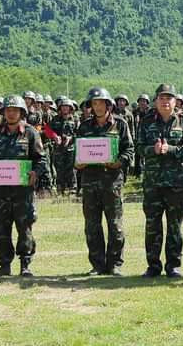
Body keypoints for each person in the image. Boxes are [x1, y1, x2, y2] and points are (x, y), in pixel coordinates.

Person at [0, 95, 47, 277]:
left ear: (21, 113)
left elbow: (41, 159)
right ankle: (4, 265)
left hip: (22, 192)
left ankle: (25, 264)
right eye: (8, 110)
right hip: (0, 192)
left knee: (24, 227)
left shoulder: (30, 133)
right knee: (1, 228)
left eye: (15, 110)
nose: (11, 113)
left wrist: (35, 172)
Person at [75, 87, 134, 276]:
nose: (98, 106)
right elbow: (76, 152)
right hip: (90, 182)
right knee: (92, 225)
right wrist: (78, 163)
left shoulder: (121, 124)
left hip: (112, 182)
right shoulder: (84, 126)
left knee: (115, 224)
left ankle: (115, 263)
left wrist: (119, 162)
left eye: (101, 102)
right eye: (94, 103)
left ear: (108, 104)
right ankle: (97, 265)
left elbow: (129, 150)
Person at [137, 84, 183, 278]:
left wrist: (169, 149)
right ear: (156, 100)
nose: (165, 101)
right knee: (152, 225)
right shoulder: (146, 121)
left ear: (175, 101)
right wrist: (151, 150)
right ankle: (153, 266)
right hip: (153, 182)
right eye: (162, 97)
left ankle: (173, 265)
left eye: (169, 98)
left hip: (175, 183)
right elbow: (138, 147)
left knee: (174, 225)